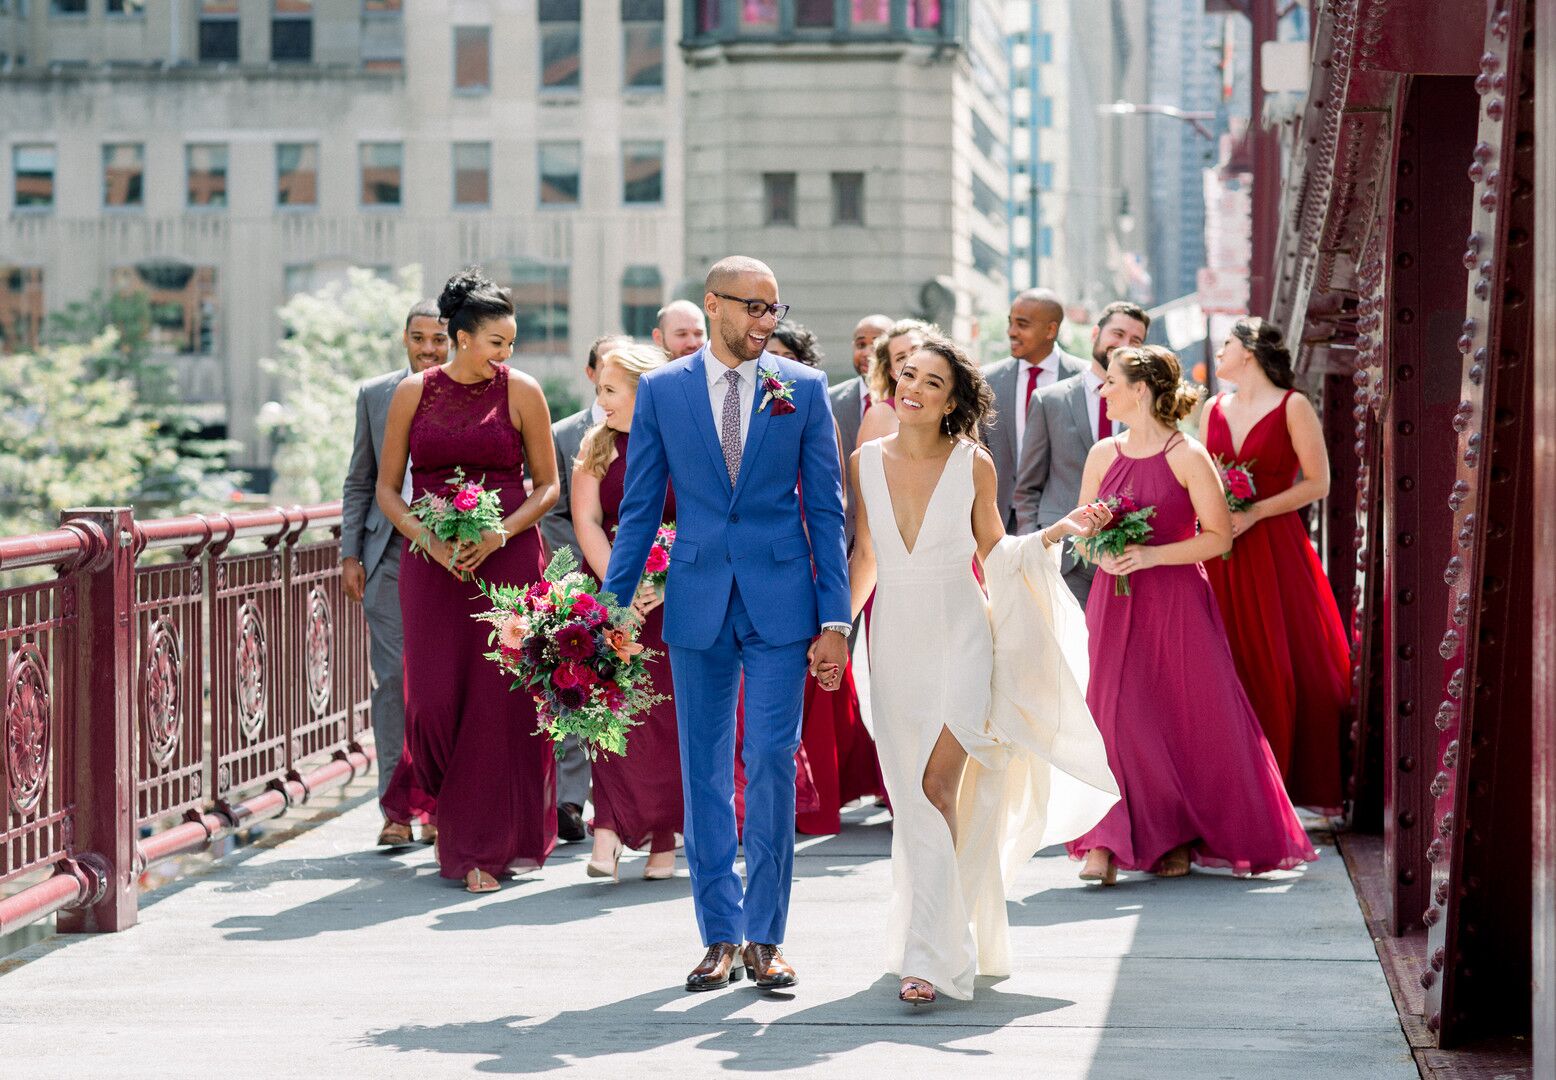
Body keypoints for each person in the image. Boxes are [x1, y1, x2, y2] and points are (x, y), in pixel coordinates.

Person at [601, 256, 850, 993]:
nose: (767, 322)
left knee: (771, 758)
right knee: (703, 773)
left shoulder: (801, 389)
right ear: (714, 306)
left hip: (783, 600)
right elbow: (642, 507)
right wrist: (615, 606)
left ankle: (766, 938)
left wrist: (834, 617)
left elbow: (827, 511)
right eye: (754, 308)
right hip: (697, 600)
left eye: (775, 309)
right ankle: (719, 936)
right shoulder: (663, 392)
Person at [848, 332, 1119, 1004]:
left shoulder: (973, 464)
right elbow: (865, 557)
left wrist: (1058, 532)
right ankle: (931, 934)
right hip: (891, 640)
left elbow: (995, 554)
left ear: (951, 401)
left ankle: (930, 959)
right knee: (911, 797)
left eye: (932, 382)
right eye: (908, 374)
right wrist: (831, 633)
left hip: (963, 637)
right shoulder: (861, 462)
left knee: (939, 787)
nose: (913, 387)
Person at [1065, 345, 1317, 884]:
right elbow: (1081, 531)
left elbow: (1219, 536)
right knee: (1113, 716)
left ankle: (1176, 837)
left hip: (1176, 602)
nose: (1102, 390)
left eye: (1111, 381)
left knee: (1182, 718)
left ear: (1141, 389)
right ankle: (1105, 844)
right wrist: (1098, 552)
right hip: (1114, 603)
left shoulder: (1188, 454)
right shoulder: (1101, 454)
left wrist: (1153, 554)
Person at [376, 267, 561, 893]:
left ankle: (481, 847)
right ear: (459, 337)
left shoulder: (522, 390)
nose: (504, 354)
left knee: (498, 704)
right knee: (430, 701)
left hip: (506, 561)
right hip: (429, 566)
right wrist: (426, 538)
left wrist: (498, 534)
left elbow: (549, 484)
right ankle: (444, 801)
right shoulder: (414, 393)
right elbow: (385, 487)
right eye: (495, 343)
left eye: (509, 344)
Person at [1201, 317, 1350, 812]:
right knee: (1228, 663)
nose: (1218, 353)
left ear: (1248, 351)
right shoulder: (1211, 409)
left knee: (1291, 663)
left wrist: (1256, 511)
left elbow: (1319, 482)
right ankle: (1235, 787)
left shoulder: (1294, 405)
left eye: (1225, 344)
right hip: (1222, 550)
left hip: (1276, 548)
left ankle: (1286, 783)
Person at [763, 320, 886, 835]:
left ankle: (815, 794)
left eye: (780, 356)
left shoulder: (812, 410)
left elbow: (828, 500)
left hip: (805, 556)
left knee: (812, 686)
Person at [571, 342, 684, 881]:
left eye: (611, 390)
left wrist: (658, 581)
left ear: (646, 391)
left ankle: (664, 838)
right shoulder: (598, 443)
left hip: (671, 601)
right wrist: (620, 586)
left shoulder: (686, 443)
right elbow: (588, 519)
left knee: (663, 720)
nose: (602, 401)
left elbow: (702, 519)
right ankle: (608, 831)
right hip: (613, 599)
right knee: (611, 713)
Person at [340, 298, 447, 848]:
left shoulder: (468, 390)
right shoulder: (376, 395)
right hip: (387, 557)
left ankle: (439, 805)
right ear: (405, 338)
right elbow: (360, 480)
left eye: (439, 339)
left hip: (453, 560)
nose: (428, 349)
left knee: (438, 690)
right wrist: (350, 553)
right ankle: (397, 809)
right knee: (393, 686)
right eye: (419, 338)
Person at [540, 333, 630, 842]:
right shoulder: (566, 434)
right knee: (576, 687)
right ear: (591, 373)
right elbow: (555, 512)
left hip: (646, 584)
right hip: (577, 575)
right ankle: (571, 800)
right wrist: (574, 573)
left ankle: (626, 807)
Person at [1013, 301, 1151, 604]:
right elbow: (1027, 488)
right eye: (1118, 333)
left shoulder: (1146, 408)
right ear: (1095, 334)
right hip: (1064, 559)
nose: (1124, 344)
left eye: (1136, 340)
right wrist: (1035, 547)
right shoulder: (1050, 400)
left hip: (1128, 557)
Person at [981, 289, 1088, 532]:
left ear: (1051, 330)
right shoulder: (987, 381)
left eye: (1022, 324)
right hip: (999, 524)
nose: (1011, 332)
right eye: (1010, 323)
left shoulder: (1085, 380)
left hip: (1065, 524)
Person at [831, 314, 893, 473]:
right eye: (861, 345)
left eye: (877, 345)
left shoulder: (909, 402)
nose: (867, 353)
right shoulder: (829, 400)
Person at [854, 318, 930, 449]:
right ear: (892, 372)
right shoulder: (879, 415)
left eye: (916, 349)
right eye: (901, 357)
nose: (911, 359)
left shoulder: (957, 405)